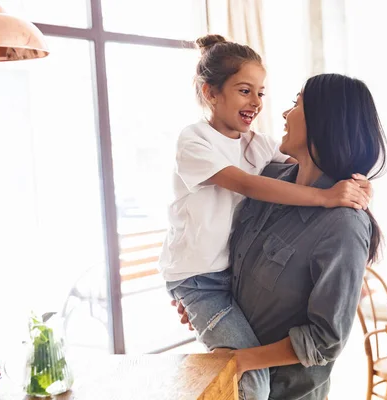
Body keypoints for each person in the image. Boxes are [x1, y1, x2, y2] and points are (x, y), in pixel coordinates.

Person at [159, 34, 372, 400]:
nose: (272, 109)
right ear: (211, 92)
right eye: (245, 91)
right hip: (203, 284)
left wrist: (355, 183)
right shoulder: (250, 170)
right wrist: (200, 305)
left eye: (293, 103)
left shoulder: (341, 223)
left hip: (290, 390)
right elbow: (248, 185)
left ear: (324, 123)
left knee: (247, 384)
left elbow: (325, 340)